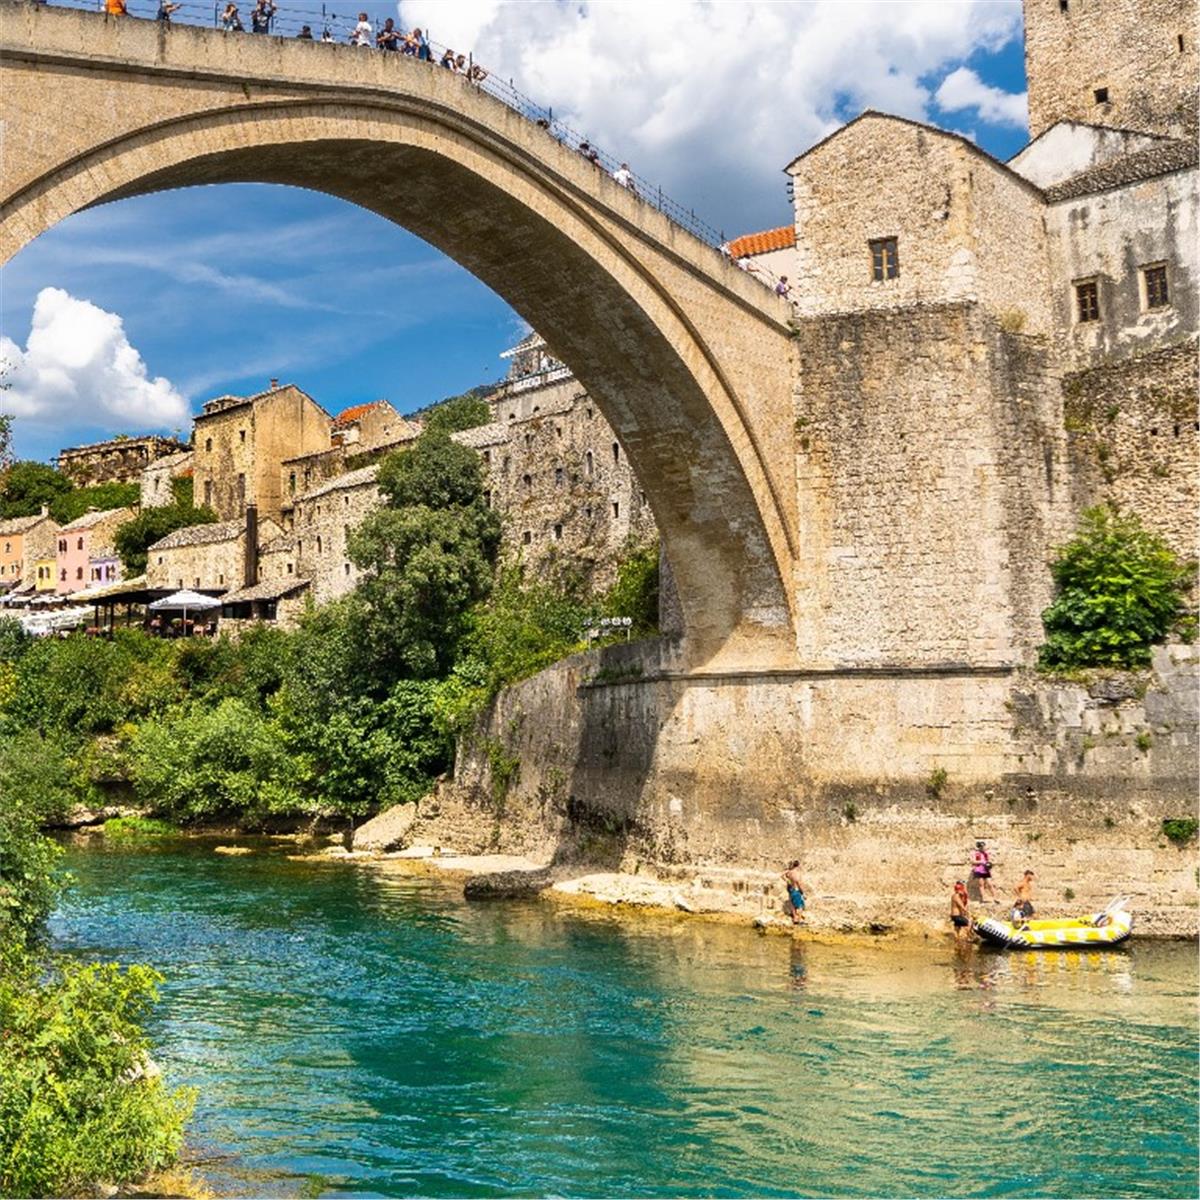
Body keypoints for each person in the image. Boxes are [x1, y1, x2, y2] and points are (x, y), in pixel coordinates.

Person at [781, 860, 807, 925]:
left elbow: (782, 875)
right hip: (796, 890)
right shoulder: (797, 873)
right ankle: (798, 919)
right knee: (801, 905)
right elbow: (799, 883)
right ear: (798, 866)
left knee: (792, 903)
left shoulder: (790, 873)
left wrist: (787, 880)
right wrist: (803, 892)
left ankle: (794, 917)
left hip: (791, 889)